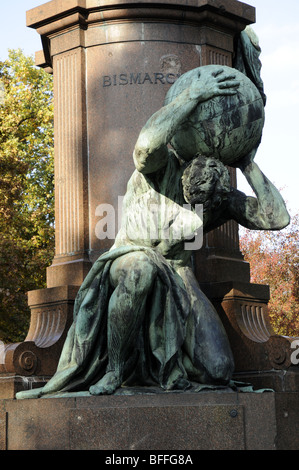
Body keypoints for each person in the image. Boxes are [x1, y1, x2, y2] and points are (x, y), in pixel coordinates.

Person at [16, 68, 290, 399]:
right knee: (139, 271)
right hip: (131, 254)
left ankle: (161, 369)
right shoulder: (160, 164)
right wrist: (193, 97)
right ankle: (115, 370)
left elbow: (276, 219)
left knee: (218, 369)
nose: (199, 196)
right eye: (196, 189)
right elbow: (144, 147)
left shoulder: (216, 193)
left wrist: (247, 163)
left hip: (178, 273)